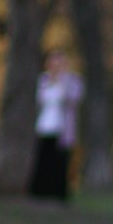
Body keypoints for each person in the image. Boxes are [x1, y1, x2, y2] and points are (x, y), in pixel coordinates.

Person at [28, 50, 84, 201]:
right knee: (43, 160)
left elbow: (74, 98)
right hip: (44, 125)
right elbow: (37, 101)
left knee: (60, 162)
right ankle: (40, 193)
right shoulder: (43, 80)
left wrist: (62, 81)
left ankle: (58, 194)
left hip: (62, 128)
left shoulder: (72, 81)